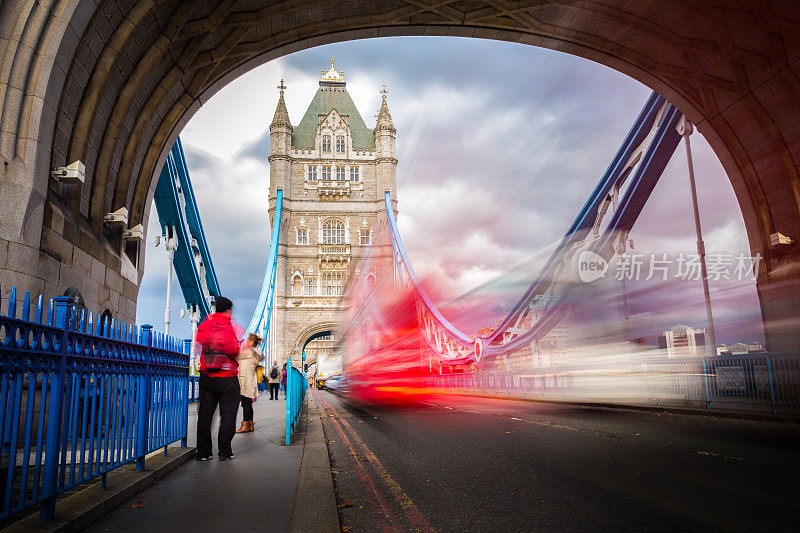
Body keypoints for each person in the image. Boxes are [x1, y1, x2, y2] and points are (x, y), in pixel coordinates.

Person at [195, 296, 242, 461]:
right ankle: (224, 451)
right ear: (228, 309)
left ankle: (203, 452)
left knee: (205, 415)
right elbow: (233, 350)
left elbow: (199, 343)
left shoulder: (205, 324)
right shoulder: (229, 326)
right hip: (227, 377)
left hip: (206, 376)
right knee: (228, 415)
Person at [236, 334, 264, 434]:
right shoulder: (256, 352)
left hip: (245, 380)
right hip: (250, 379)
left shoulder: (249, 352)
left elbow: (235, 356)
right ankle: (250, 424)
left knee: (246, 403)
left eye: (248, 340)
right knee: (248, 403)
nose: (246, 341)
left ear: (252, 342)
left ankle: (245, 425)